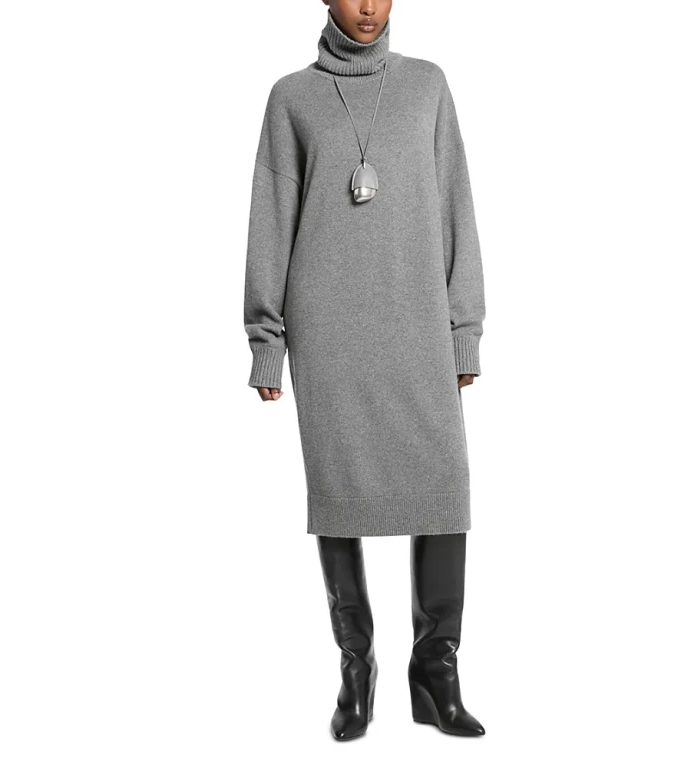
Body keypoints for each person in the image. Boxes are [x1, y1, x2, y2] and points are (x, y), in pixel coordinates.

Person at [243, 0, 486, 740]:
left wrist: (464, 330)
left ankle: (436, 671)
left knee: (444, 490)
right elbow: (271, 218)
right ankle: (357, 668)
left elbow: (455, 207)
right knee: (339, 493)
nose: (370, 6)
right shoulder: (291, 98)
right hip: (329, 335)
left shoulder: (427, 85)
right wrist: (266, 337)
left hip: (417, 323)